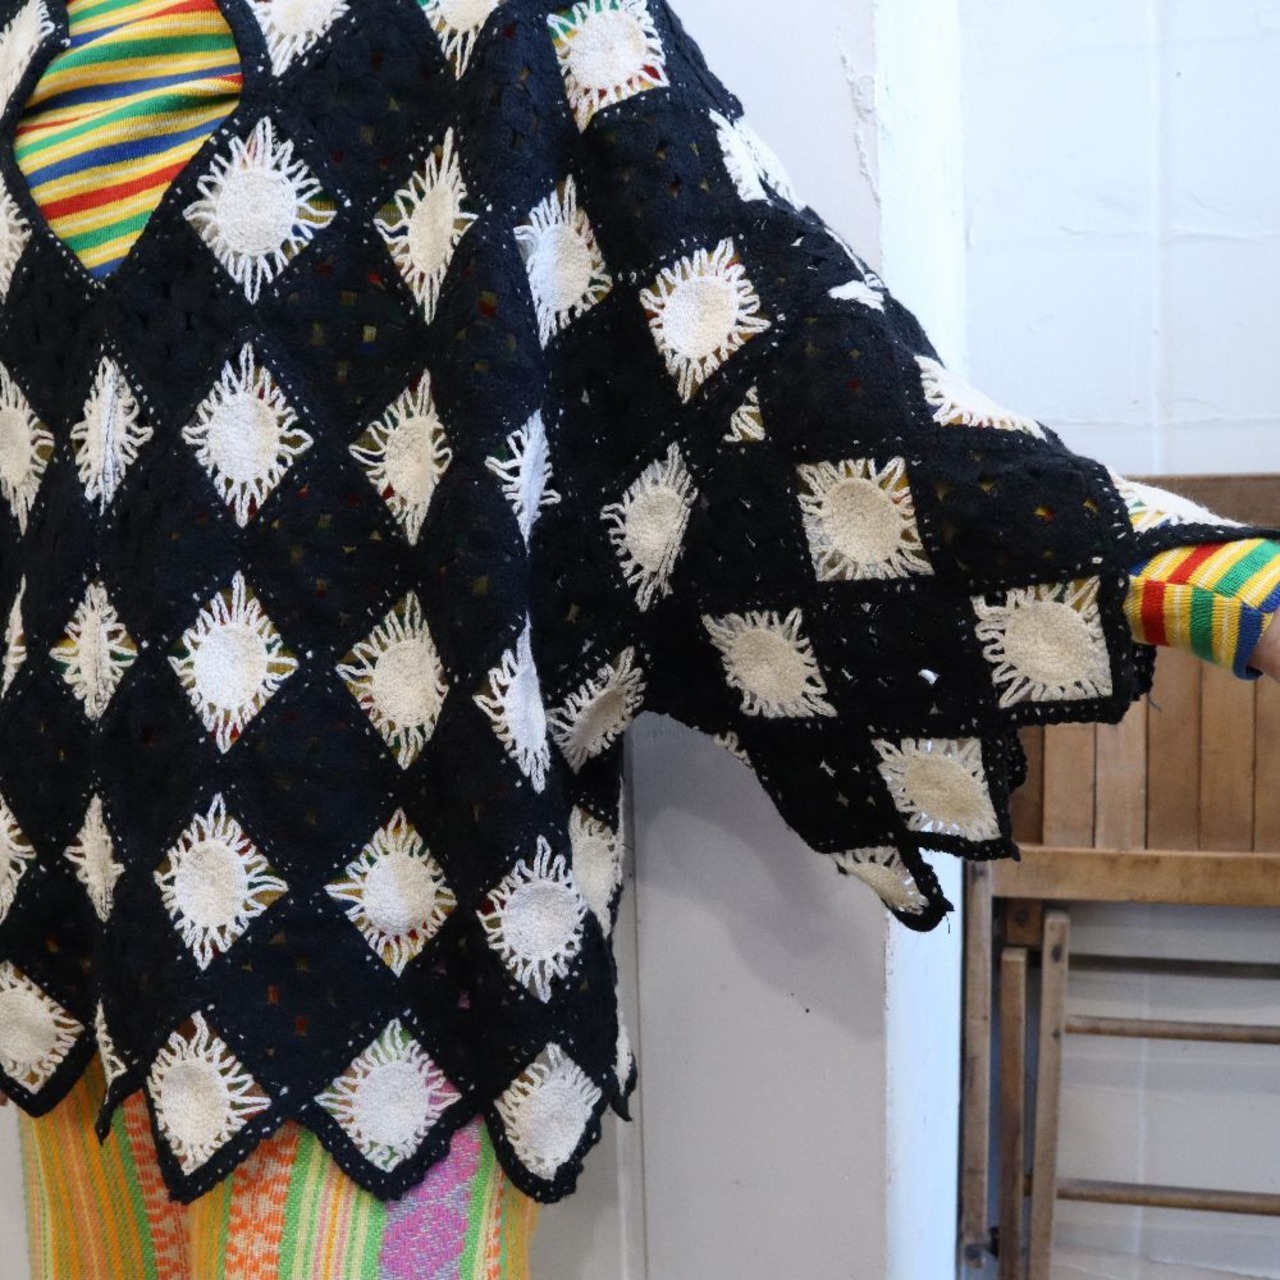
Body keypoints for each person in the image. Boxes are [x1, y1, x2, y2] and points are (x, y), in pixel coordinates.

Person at [0, 1, 1275, 1277]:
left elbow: (773, 363)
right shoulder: (22, 48)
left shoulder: (515, 27)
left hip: (383, 954)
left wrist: (1183, 570)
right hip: (71, 919)